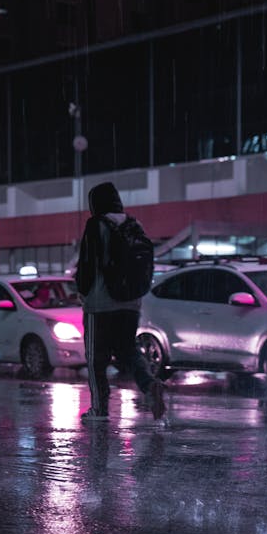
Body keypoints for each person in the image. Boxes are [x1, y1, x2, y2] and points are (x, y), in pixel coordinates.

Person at [75, 181, 166, 422]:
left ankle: (99, 408)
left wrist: (82, 292)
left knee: (96, 359)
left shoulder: (96, 225)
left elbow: (87, 264)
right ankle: (150, 385)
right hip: (130, 303)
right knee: (128, 351)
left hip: (100, 304)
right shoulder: (135, 225)